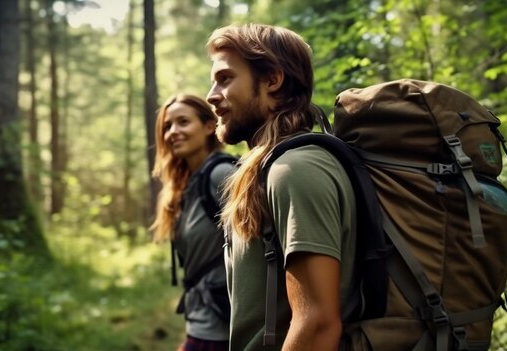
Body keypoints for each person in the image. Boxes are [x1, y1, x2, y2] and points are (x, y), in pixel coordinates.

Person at [206, 24, 359, 351]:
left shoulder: (295, 171)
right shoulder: (271, 169)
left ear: (272, 80)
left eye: (225, 79)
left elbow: (317, 324)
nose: (211, 96)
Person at [152, 94, 233, 351]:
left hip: (223, 329)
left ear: (209, 126)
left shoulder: (221, 175)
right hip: (201, 323)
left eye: (183, 122)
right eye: (167, 126)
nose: (173, 132)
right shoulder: (188, 185)